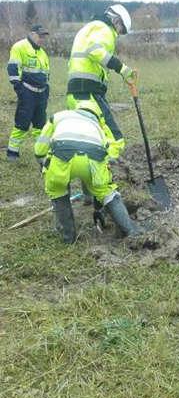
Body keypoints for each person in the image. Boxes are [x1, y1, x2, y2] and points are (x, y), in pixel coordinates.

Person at [34, 99, 141, 244]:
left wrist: (42, 161)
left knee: (58, 193)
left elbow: (40, 147)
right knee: (108, 194)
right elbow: (109, 151)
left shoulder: (59, 116)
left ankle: (69, 239)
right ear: (97, 115)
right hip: (93, 159)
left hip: (62, 157)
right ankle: (132, 232)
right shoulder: (98, 125)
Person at [66, 4, 135, 160]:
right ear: (116, 20)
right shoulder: (104, 30)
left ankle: (88, 178)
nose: (119, 34)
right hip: (89, 93)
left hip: (75, 92)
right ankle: (108, 177)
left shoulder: (88, 29)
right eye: (121, 30)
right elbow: (94, 50)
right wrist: (121, 68)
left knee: (87, 139)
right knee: (115, 141)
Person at [6, 25, 50, 161]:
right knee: (22, 124)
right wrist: (20, 89)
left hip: (41, 94)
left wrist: (46, 91)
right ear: (32, 34)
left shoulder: (43, 53)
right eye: (40, 36)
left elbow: (47, 75)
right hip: (27, 93)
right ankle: (12, 153)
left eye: (44, 36)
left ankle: (41, 154)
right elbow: (13, 68)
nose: (42, 39)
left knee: (40, 126)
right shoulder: (19, 47)